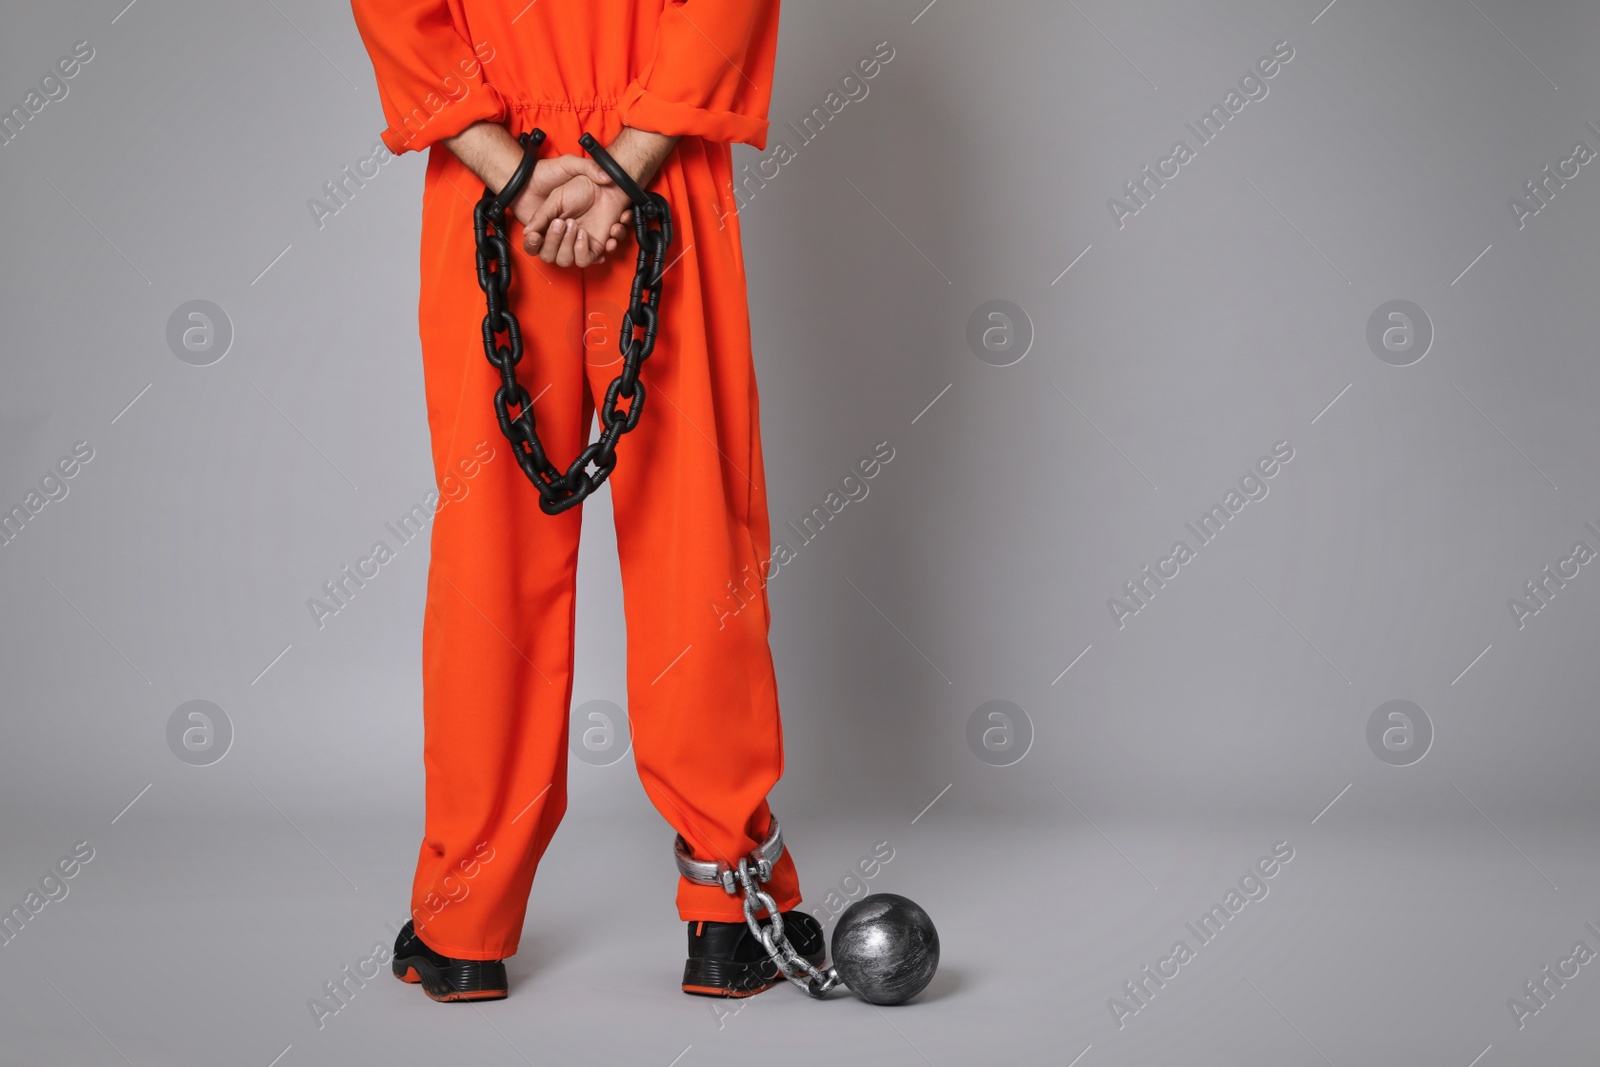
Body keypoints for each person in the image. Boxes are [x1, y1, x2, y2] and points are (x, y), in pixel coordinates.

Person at [349, 0, 820, 1002]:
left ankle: (464, 921)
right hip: (663, 180)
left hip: (493, 188)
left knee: (490, 562)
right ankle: (728, 911)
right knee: (701, 546)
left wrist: (516, 176)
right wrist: (623, 164)